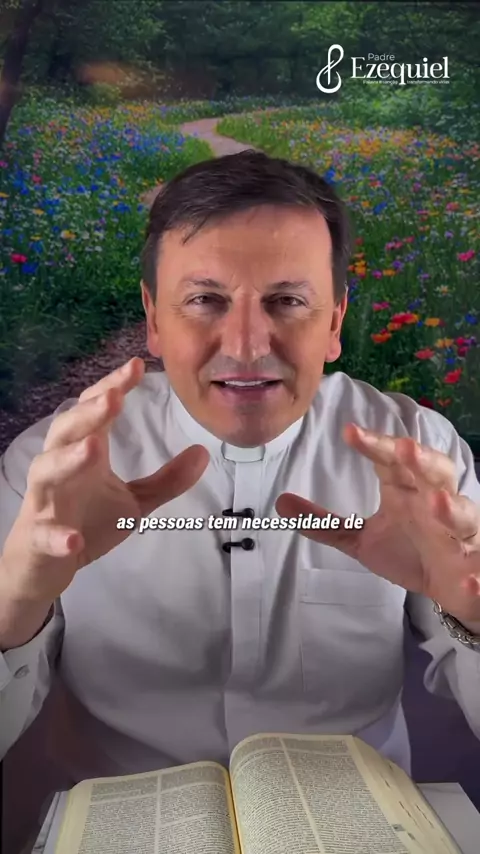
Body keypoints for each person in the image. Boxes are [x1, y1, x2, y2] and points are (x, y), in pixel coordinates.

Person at [1, 150, 479, 788]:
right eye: (205, 299)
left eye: (287, 300)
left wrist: (474, 618)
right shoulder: (49, 468)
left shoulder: (421, 455)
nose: (248, 345)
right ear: (153, 319)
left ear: (335, 321)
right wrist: (15, 608)